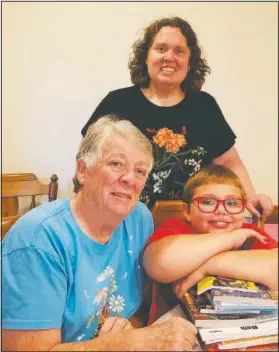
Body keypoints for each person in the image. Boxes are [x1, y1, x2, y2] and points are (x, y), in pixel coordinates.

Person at [2, 115, 197, 351]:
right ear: (83, 171)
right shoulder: (38, 240)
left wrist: (130, 332)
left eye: (140, 171)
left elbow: (138, 307)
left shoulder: (139, 218)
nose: (129, 179)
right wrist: (125, 344)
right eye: (116, 164)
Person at [81, 16, 273, 219]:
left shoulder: (204, 107)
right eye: (161, 48)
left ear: (190, 63)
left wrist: (250, 197)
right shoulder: (117, 102)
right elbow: (88, 158)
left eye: (179, 51)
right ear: (146, 57)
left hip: (187, 224)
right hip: (120, 221)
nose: (169, 57)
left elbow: (229, 162)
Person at [143, 164, 278, 324]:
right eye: (207, 201)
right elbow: (159, 265)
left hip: (243, 326)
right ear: (187, 211)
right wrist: (230, 239)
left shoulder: (249, 233)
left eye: (232, 203)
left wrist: (208, 266)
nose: (221, 210)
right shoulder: (176, 229)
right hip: (176, 330)